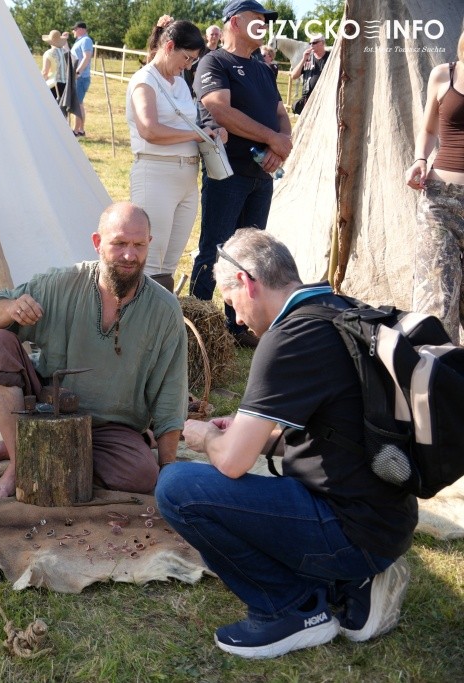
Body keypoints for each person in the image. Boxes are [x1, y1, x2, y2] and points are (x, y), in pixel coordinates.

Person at [156, 228, 415, 659]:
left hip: (350, 530)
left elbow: (232, 463)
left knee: (177, 488)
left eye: (231, 302)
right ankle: (354, 578)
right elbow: (331, 435)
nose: (237, 319)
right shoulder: (338, 310)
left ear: (247, 283)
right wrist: (251, 436)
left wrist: (208, 437)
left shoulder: (287, 339)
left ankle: (291, 608)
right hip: (386, 520)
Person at [0, 202, 187, 498]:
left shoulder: (164, 310)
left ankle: (33, 447)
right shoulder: (62, 284)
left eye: (139, 245)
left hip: (108, 431)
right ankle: (20, 462)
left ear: (149, 243)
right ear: (97, 242)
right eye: (119, 243)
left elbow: (171, 394)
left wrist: (168, 471)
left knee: (142, 476)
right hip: (46, 412)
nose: (130, 255)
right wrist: (11, 308)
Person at [190, 0, 292, 348]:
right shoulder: (215, 61)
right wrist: (272, 139)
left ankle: (237, 326)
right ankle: (196, 325)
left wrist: (281, 145)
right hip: (228, 172)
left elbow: (281, 114)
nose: (264, 24)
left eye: (266, 20)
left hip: (262, 175)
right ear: (234, 22)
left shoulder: (264, 69)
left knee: (250, 254)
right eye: (257, 18)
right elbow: (218, 109)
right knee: (215, 248)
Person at [127, 18, 227, 293]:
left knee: (169, 263)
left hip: (186, 178)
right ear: (169, 46)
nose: (189, 65)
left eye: (194, 60)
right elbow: (149, 130)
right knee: (150, 261)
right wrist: (196, 135)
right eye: (187, 58)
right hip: (156, 174)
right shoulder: (144, 80)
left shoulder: (181, 83)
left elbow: (188, 124)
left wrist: (209, 132)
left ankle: (161, 316)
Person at [405, 25, 464, 344]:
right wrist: (420, 159)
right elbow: (428, 131)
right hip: (439, 203)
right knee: (437, 304)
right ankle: (439, 373)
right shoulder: (444, 74)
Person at [290, 36, 329, 114]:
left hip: (324, 98)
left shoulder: (330, 57)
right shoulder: (308, 58)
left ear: (322, 43)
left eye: (314, 43)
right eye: (310, 43)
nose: (311, 45)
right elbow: (294, 76)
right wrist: (303, 59)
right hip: (307, 98)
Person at [71, 22, 95, 137]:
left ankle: (76, 130)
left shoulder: (86, 40)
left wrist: (78, 72)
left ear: (81, 29)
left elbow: (87, 57)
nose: (73, 31)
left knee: (78, 104)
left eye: (74, 29)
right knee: (79, 104)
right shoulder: (79, 41)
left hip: (81, 77)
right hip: (80, 77)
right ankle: (80, 130)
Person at [41, 29, 69, 102]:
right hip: (66, 84)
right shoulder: (67, 52)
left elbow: (45, 72)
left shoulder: (48, 53)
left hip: (53, 84)